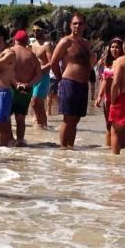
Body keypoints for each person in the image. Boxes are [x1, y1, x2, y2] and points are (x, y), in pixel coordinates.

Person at [50, 12, 93, 148]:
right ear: (70, 25)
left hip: (83, 85)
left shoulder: (86, 44)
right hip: (69, 83)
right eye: (75, 23)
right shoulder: (65, 42)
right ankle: (63, 148)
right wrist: (61, 79)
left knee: (76, 120)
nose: (77, 26)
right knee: (68, 119)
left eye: (80, 23)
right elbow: (53, 62)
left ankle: (70, 148)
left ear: (85, 26)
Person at [11, 30, 42, 146]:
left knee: (6, 118)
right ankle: (20, 141)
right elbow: (39, 75)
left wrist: (15, 83)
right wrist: (29, 84)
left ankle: (8, 141)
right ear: (26, 41)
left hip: (10, 88)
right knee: (20, 117)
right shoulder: (31, 55)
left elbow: (5, 72)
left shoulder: (9, 52)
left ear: (15, 40)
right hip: (26, 89)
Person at [94, 38, 122, 147]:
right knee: (108, 125)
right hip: (108, 98)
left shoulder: (122, 62)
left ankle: (122, 149)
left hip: (119, 99)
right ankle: (108, 149)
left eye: (117, 47)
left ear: (121, 49)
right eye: (112, 47)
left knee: (120, 126)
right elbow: (104, 81)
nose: (114, 49)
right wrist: (99, 96)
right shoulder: (107, 63)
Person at [29, 21, 54, 129]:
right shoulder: (32, 44)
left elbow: (51, 62)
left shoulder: (47, 45)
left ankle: (41, 124)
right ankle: (42, 126)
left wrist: (39, 70)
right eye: (33, 30)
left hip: (43, 77)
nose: (35, 32)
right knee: (36, 104)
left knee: (35, 102)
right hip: (32, 77)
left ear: (44, 31)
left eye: (38, 30)